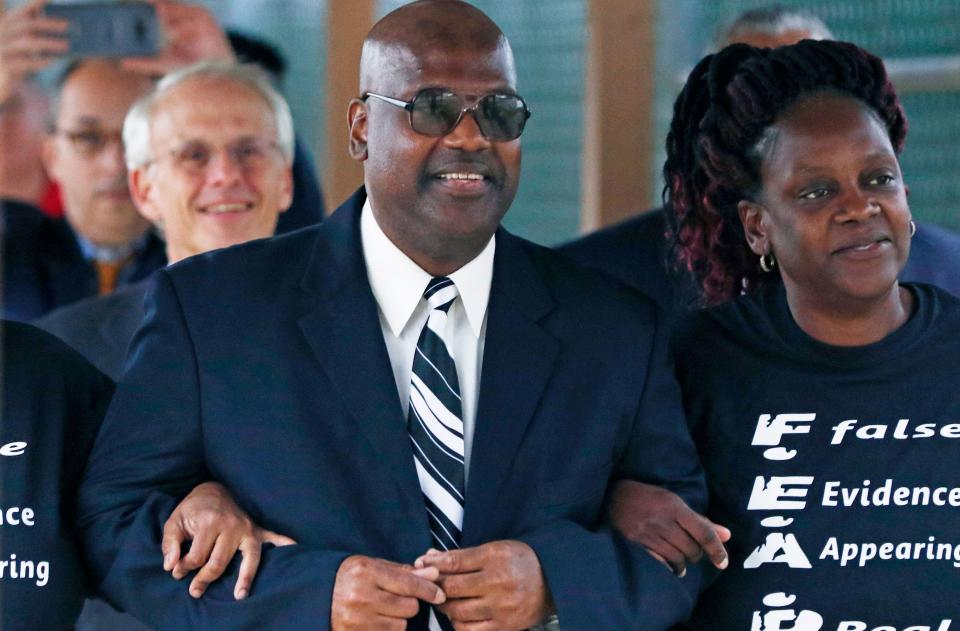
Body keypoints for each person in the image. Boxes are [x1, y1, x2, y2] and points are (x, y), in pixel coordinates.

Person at [78, 2, 706, 630]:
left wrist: (554, 582)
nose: (468, 136)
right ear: (360, 129)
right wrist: (306, 595)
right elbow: (116, 524)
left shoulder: (615, 326)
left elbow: (688, 547)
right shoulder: (212, 310)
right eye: (430, 108)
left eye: (499, 112)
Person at [612, 39, 960, 628]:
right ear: (757, 226)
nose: (859, 208)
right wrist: (615, 501)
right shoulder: (691, 364)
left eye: (878, 179)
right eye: (817, 191)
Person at [558, 6, 960, 318]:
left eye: (811, 97)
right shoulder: (590, 280)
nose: (781, 125)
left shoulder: (948, 273)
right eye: (745, 102)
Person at [36, 61, 295, 380]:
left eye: (248, 151)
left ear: (285, 180)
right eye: (194, 155)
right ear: (144, 190)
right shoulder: (63, 348)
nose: (225, 175)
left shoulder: (358, 328)